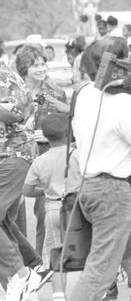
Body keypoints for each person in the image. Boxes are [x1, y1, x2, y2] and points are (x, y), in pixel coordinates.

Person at [69, 36, 131, 301]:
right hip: (112, 192)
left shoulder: (83, 94)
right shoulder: (123, 103)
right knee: (101, 272)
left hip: (91, 187)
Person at [0, 66, 50, 301]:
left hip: (13, 155)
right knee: (5, 222)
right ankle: (32, 268)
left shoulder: (4, 77)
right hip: (7, 156)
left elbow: (16, 113)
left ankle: (20, 274)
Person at [15, 45, 69, 258]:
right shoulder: (15, 92)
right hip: (17, 158)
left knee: (44, 212)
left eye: (43, 64)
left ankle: (43, 261)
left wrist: (48, 136)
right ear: (24, 68)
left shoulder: (56, 93)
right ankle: (19, 262)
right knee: (12, 215)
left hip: (47, 157)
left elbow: (67, 127)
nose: (40, 68)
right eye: (35, 65)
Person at [23, 113, 70, 301]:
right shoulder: (76, 155)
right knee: (86, 249)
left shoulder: (40, 161)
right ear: (68, 132)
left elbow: (27, 190)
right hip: (75, 209)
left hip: (52, 208)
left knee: (57, 254)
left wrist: (45, 190)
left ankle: (58, 296)